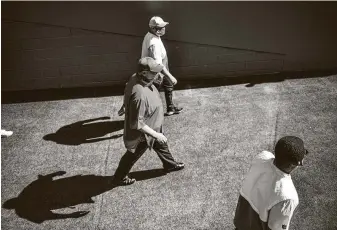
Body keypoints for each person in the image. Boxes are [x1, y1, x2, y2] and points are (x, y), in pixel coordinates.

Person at [112, 57, 185, 186]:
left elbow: (126, 90)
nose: (157, 74)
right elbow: (136, 124)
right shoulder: (139, 95)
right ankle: (119, 178)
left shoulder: (135, 77)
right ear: (144, 73)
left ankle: (170, 165)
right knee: (131, 155)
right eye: (154, 72)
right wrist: (156, 135)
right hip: (143, 135)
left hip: (153, 125)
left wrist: (125, 105)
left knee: (161, 145)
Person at [234, 136, 308, 230]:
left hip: (241, 224)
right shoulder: (288, 196)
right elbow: (276, 228)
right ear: (299, 163)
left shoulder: (262, 157)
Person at [118, 16, 183, 117]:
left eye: (163, 26)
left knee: (168, 85)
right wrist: (170, 76)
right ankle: (131, 109)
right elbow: (158, 65)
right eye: (161, 27)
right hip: (154, 71)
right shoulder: (153, 43)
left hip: (157, 68)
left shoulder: (151, 35)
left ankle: (170, 107)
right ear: (154, 29)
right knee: (148, 92)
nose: (164, 29)